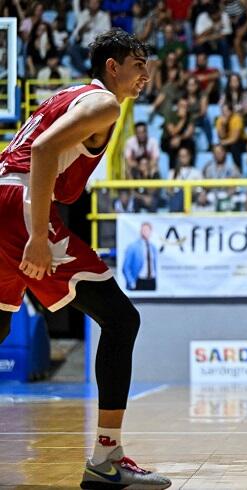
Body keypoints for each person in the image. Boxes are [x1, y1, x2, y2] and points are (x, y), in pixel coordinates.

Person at [0, 29, 170, 488]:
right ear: (112, 66)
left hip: (3, 199)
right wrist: (38, 234)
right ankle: (106, 458)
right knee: (120, 320)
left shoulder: (69, 94)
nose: (145, 76)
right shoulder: (103, 104)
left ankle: (107, 458)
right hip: (20, 207)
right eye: (138, 66)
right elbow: (41, 151)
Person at [122, 222, 158, 291]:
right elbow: (125, 267)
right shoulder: (133, 246)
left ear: (151, 232)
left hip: (152, 281)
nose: (145, 232)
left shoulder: (153, 247)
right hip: (139, 281)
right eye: (143, 230)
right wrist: (131, 282)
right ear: (140, 231)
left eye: (147, 230)